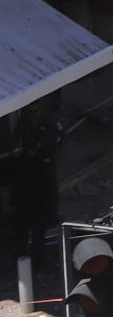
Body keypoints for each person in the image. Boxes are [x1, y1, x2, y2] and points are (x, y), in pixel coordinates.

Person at [9, 101, 61, 263]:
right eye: (30, 111)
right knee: (22, 225)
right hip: (24, 187)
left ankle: (38, 259)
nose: (33, 114)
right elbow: (15, 143)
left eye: (36, 111)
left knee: (38, 226)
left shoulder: (49, 126)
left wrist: (38, 149)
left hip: (40, 187)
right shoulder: (23, 124)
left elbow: (53, 142)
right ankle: (21, 255)